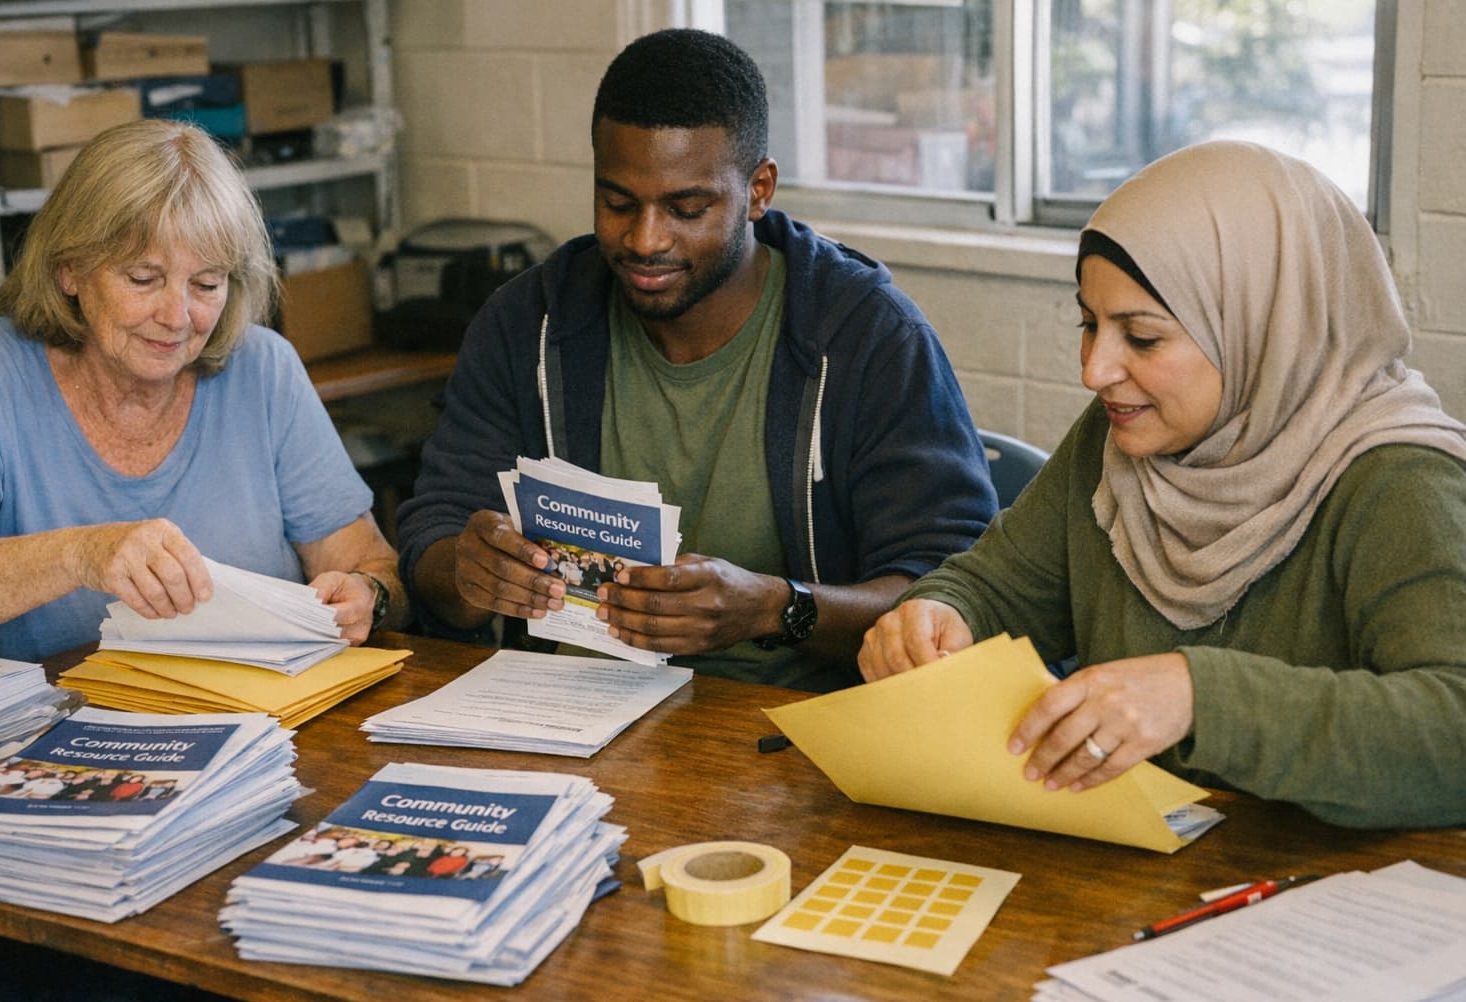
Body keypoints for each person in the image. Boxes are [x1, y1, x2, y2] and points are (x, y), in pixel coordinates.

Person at [858, 140, 1466, 830]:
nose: (1096, 371)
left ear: (1262, 332)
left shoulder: (1399, 479)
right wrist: (938, 615)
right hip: (1151, 870)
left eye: (1142, 338)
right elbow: (998, 586)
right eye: (1089, 325)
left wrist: (1197, 696)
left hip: (1337, 894)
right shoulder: (1119, 436)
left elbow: (1453, 728)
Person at [397, 28, 996, 692]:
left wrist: (775, 608)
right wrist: (467, 570)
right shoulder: (527, 322)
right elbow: (434, 538)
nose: (645, 239)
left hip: (787, 729)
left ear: (758, 190)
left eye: (687, 208)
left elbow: (952, 594)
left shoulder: (866, 336)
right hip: (565, 714)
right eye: (617, 202)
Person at [0, 119, 407, 663]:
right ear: (69, 271)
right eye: (143, 279)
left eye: (206, 284)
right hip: (45, 732)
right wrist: (82, 554)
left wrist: (369, 595)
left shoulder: (263, 368)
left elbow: (371, 561)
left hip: (253, 725)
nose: (177, 317)